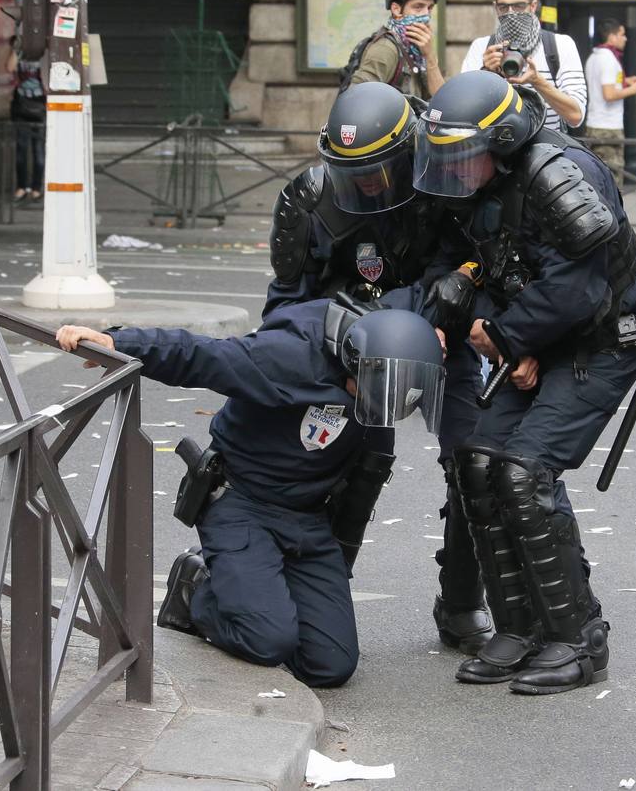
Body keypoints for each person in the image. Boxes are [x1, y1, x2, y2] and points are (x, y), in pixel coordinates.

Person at [410, 70, 636, 694]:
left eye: (464, 157)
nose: (455, 170)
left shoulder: (558, 172)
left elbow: (580, 286)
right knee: (477, 460)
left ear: (501, 142)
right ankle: (519, 627)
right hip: (542, 333)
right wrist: (495, 326)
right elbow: (462, 262)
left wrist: (509, 338)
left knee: (525, 471)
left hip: (606, 338)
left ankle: (578, 640)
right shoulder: (473, 179)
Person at [55, 291, 447, 688]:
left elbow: (364, 486)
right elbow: (201, 355)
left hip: (308, 516)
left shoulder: (384, 380)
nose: (389, 408)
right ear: (356, 364)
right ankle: (196, 589)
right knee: (268, 640)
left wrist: (335, 568)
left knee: (330, 666)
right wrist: (117, 342)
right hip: (241, 502)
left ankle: (258, 595)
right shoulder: (285, 358)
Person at [266, 81, 492, 656]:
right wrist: (348, 335)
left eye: (377, 170)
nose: (366, 183)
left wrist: (450, 300)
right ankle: (324, 588)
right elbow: (284, 310)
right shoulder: (310, 199)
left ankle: (463, 600)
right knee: (354, 457)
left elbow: (484, 259)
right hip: (348, 349)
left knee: (474, 463)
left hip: (444, 336)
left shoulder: (444, 179)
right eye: (353, 172)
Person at [459, 0, 586, 132]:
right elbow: (463, 115)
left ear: (533, 6)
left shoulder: (560, 45)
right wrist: (486, 74)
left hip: (548, 151)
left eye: (519, 6)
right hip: (496, 150)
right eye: (504, 7)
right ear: (495, 7)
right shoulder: (482, 47)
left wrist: (537, 81)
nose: (511, 14)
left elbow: (575, 116)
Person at [341, 0, 445, 99]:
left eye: (429, 8)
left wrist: (430, 57)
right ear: (396, 9)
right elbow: (355, 99)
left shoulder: (415, 51)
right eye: (418, 7)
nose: (426, 14)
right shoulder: (386, 48)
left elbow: (441, 100)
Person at [582, 18, 636, 189]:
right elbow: (609, 94)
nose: (625, 38)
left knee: (598, 177)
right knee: (612, 180)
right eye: (622, 34)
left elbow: (607, 84)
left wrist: (626, 81)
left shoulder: (595, 57)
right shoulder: (608, 60)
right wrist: (635, 89)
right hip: (607, 127)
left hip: (595, 123)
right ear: (612, 37)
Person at [6, 38, 45, 205]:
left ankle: (36, 189)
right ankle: (21, 187)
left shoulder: (44, 56)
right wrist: (17, 49)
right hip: (22, 106)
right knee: (21, 150)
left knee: (38, 152)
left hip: (40, 106)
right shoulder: (20, 55)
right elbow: (9, 67)